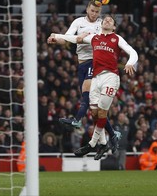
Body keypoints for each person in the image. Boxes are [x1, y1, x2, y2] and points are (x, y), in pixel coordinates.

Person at [52, 15, 138, 160]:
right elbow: (74, 39)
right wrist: (56, 36)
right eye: (106, 19)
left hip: (110, 77)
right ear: (102, 23)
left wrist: (130, 63)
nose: (107, 20)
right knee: (95, 113)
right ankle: (103, 142)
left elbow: (132, 51)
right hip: (96, 78)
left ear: (114, 27)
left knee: (102, 111)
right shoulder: (94, 37)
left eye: (111, 20)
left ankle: (92, 144)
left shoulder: (116, 38)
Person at [47, 1, 121, 153]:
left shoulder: (102, 24)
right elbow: (67, 38)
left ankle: (77, 120)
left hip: (95, 63)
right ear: (87, 9)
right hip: (81, 64)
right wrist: (55, 39)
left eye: (97, 12)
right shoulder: (78, 22)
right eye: (92, 10)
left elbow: (110, 37)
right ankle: (109, 137)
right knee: (94, 109)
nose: (94, 14)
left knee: (87, 96)